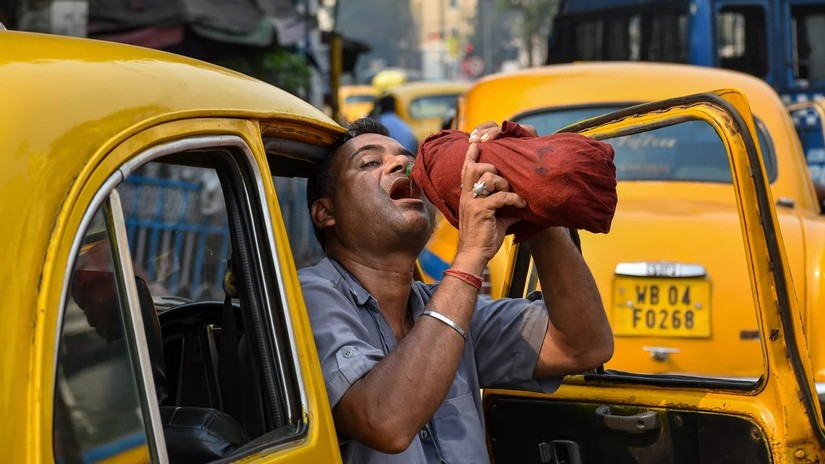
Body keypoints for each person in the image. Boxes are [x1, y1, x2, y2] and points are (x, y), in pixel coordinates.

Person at [299, 118, 614, 463]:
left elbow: (583, 346)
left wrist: (531, 199)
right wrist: (470, 256)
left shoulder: (446, 305)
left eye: (409, 159)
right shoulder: (308, 296)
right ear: (325, 213)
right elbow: (385, 421)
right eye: (370, 163)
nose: (401, 164)